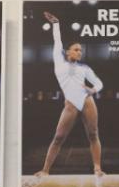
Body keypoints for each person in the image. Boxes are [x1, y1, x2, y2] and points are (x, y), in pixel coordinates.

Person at [33, 12, 105, 178]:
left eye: (81, 50)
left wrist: (92, 90)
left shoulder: (85, 68)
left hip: (87, 101)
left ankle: (97, 169)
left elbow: (99, 83)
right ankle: (45, 170)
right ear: (67, 52)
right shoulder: (59, 63)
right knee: (58, 138)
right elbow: (57, 42)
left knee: (93, 134)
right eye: (76, 49)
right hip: (70, 104)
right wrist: (56, 24)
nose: (79, 52)